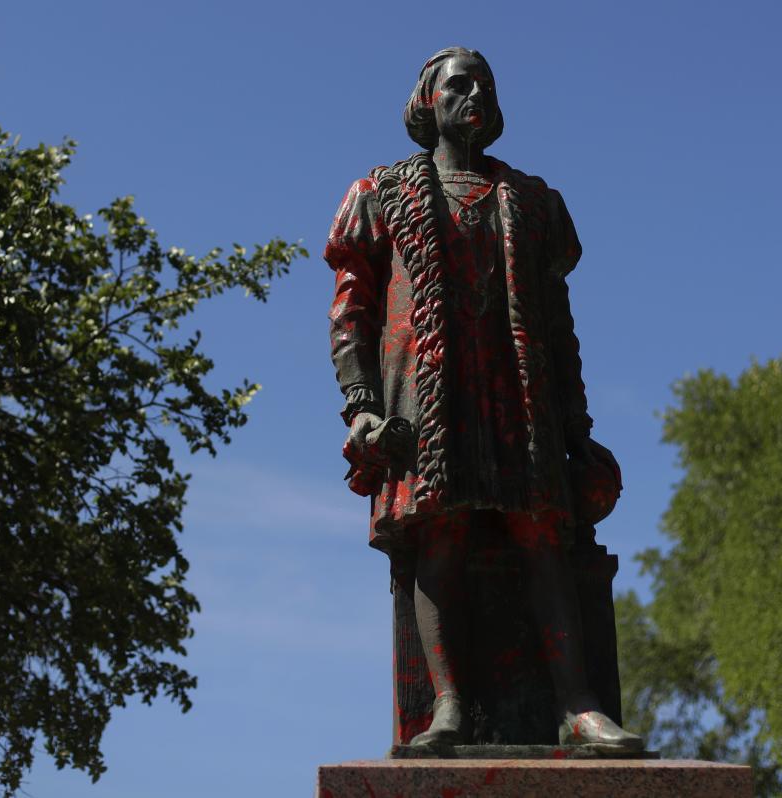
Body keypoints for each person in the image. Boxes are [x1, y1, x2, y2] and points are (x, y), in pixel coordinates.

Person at [325, 46, 641, 750]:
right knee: (440, 537)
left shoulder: (532, 201)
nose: (476, 96)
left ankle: (578, 708)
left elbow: (559, 327)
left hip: (516, 391)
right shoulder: (381, 193)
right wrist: (363, 405)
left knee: (542, 536)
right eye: (459, 84)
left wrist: (576, 424)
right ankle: (448, 708)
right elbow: (354, 312)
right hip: (425, 398)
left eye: (487, 86)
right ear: (427, 100)